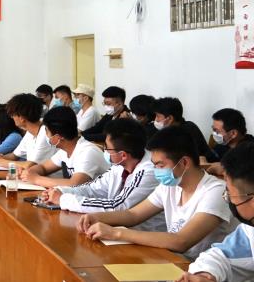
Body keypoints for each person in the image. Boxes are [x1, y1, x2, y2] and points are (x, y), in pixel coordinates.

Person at [77, 128, 233, 260]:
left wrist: (116, 233)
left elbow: (181, 241)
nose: (156, 171)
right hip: (173, 260)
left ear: (184, 162)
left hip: (204, 272)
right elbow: (133, 215)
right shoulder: (171, 185)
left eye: (161, 165)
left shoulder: (216, 191)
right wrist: (97, 217)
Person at [40, 118, 164, 231]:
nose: (104, 150)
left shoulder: (149, 171)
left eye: (107, 148)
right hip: (120, 230)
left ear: (123, 155)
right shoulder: (119, 165)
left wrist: (63, 199)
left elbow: (118, 207)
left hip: (147, 236)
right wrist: (61, 191)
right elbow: (92, 188)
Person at [181, 143, 254, 281]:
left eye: (230, 194)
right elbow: (222, 255)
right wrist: (205, 274)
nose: (229, 200)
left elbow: (181, 241)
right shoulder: (250, 230)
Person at [20, 106, 109, 188]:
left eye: (46, 131)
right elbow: (43, 168)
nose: (45, 135)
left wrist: (36, 179)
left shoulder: (88, 152)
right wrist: (29, 173)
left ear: (58, 137)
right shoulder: (65, 151)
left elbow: (74, 184)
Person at [0, 93, 57, 169]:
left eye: (12, 115)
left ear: (21, 118)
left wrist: (0, 162)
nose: (11, 117)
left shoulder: (45, 133)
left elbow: (30, 166)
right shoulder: (30, 132)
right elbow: (14, 156)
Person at [152, 97, 218, 163]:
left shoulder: (188, 130)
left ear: (170, 118)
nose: (156, 119)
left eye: (158, 116)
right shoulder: (168, 131)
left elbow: (188, 160)